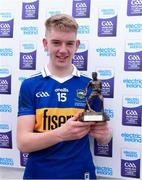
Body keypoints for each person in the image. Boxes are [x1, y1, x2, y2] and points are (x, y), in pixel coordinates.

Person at [17, 14, 112, 179]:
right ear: (45, 44)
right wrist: (61, 133)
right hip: (39, 174)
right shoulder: (30, 85)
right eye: (56, 43)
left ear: (76, 45)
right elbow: (23, 143)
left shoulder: (90, 85)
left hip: (80, 173)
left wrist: (105, 136)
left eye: (69, 43)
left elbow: (104, 136)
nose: (63, 50)